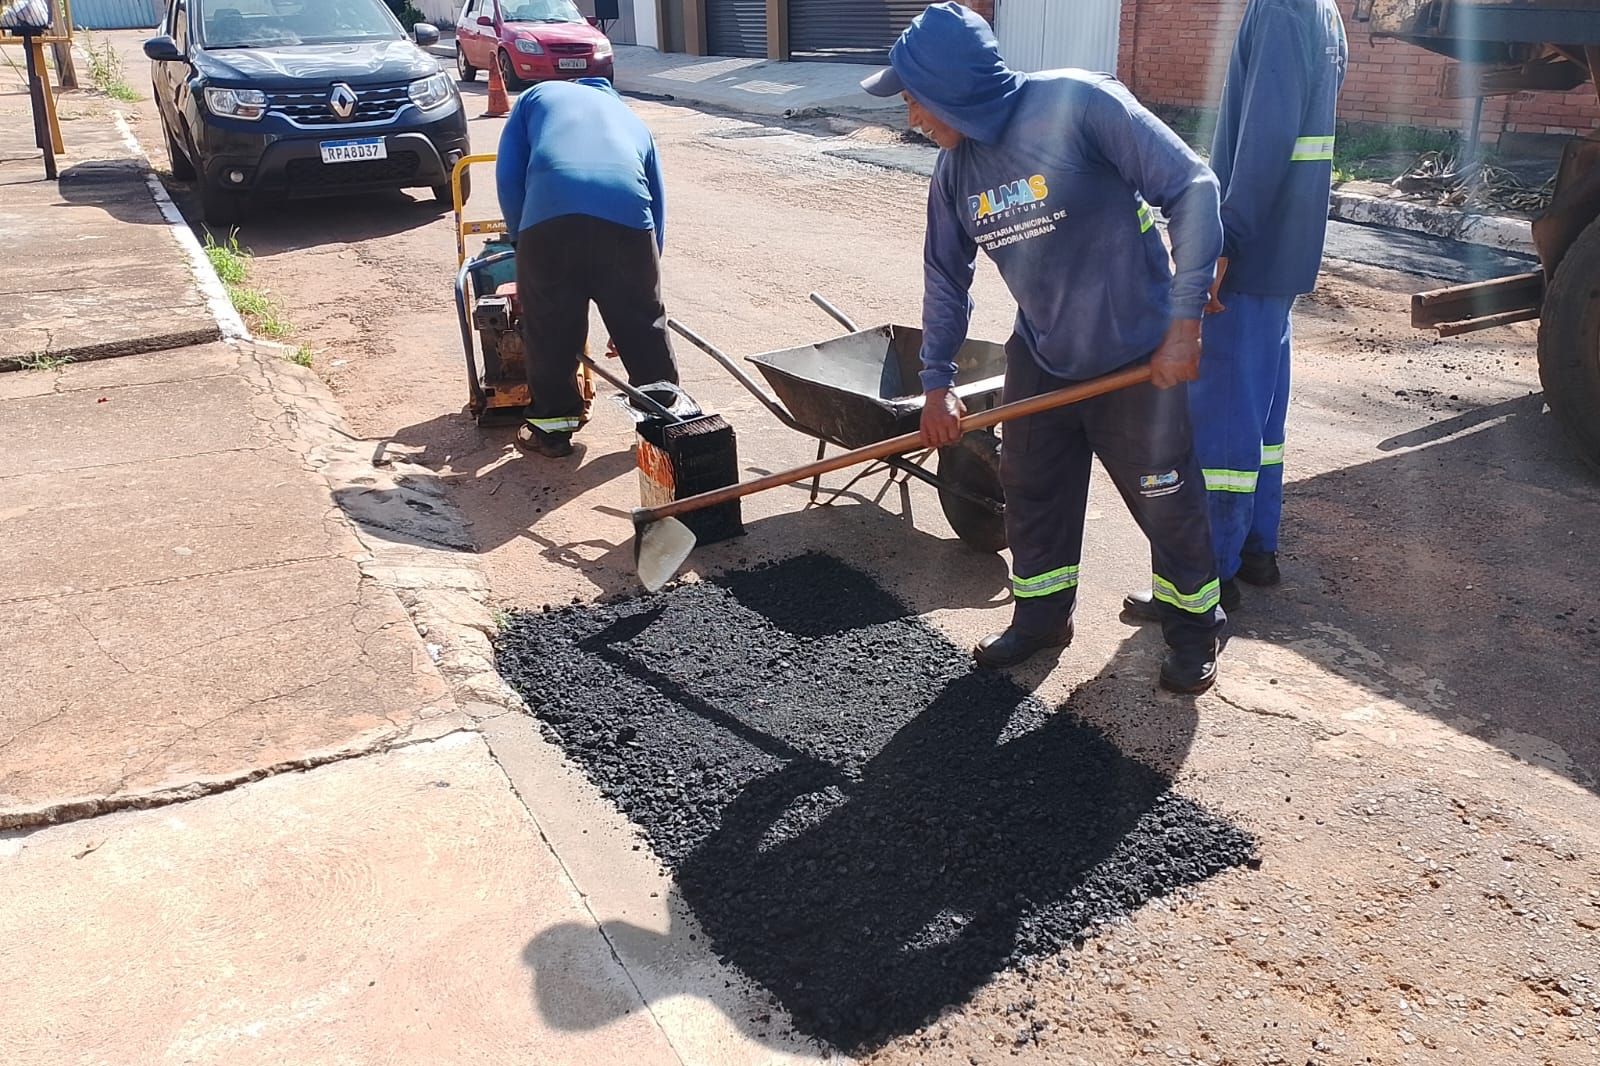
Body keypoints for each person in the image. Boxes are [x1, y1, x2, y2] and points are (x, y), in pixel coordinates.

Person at [862, 3, 1226, 694]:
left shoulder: (1081, 104)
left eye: (914, 98)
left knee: (1165, 499)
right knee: (1033, 491)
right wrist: (936, 384)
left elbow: (1193, 187)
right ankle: (1041, 618)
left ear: (951, 88)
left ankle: (1194, 627)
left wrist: (1184, 324)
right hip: (1043, 354)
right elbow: (946, 279)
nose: (911, 116)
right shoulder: (954, 172)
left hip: (1136, 354)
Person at [1126, 0, 1347, 619]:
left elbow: (1265, 141)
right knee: (1259, 417)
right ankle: (1254, 549)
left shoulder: (1278, 8)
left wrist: (1225, 243)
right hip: (1284, 253)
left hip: (1252, 257)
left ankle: (1205, 579)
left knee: (1221, 423)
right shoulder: (1321, 10)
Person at [495, 77, 678, 458]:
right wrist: (639, 293)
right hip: (628, 220)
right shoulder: (632, 120)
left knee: (550, 327)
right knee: (644, 327)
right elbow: (657, 205)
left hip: (549, 216)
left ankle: (552, 431)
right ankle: (662, 423)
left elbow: (509, 175)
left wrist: (521, 242)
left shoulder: (536, 96)